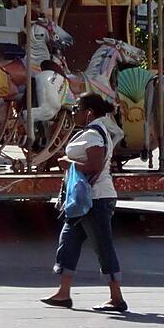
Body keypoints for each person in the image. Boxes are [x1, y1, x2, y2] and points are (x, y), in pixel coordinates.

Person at [41, 92, 127, 313]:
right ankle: (63, 293)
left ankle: (116, 297)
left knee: (102, 246)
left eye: (76, 109)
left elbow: (94, 166)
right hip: (83, 199)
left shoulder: (93, 135)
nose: (73, 113)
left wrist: (68, 163)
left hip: (95, 199)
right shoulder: (93, 131)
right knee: (68, 241)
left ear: (88, 112)